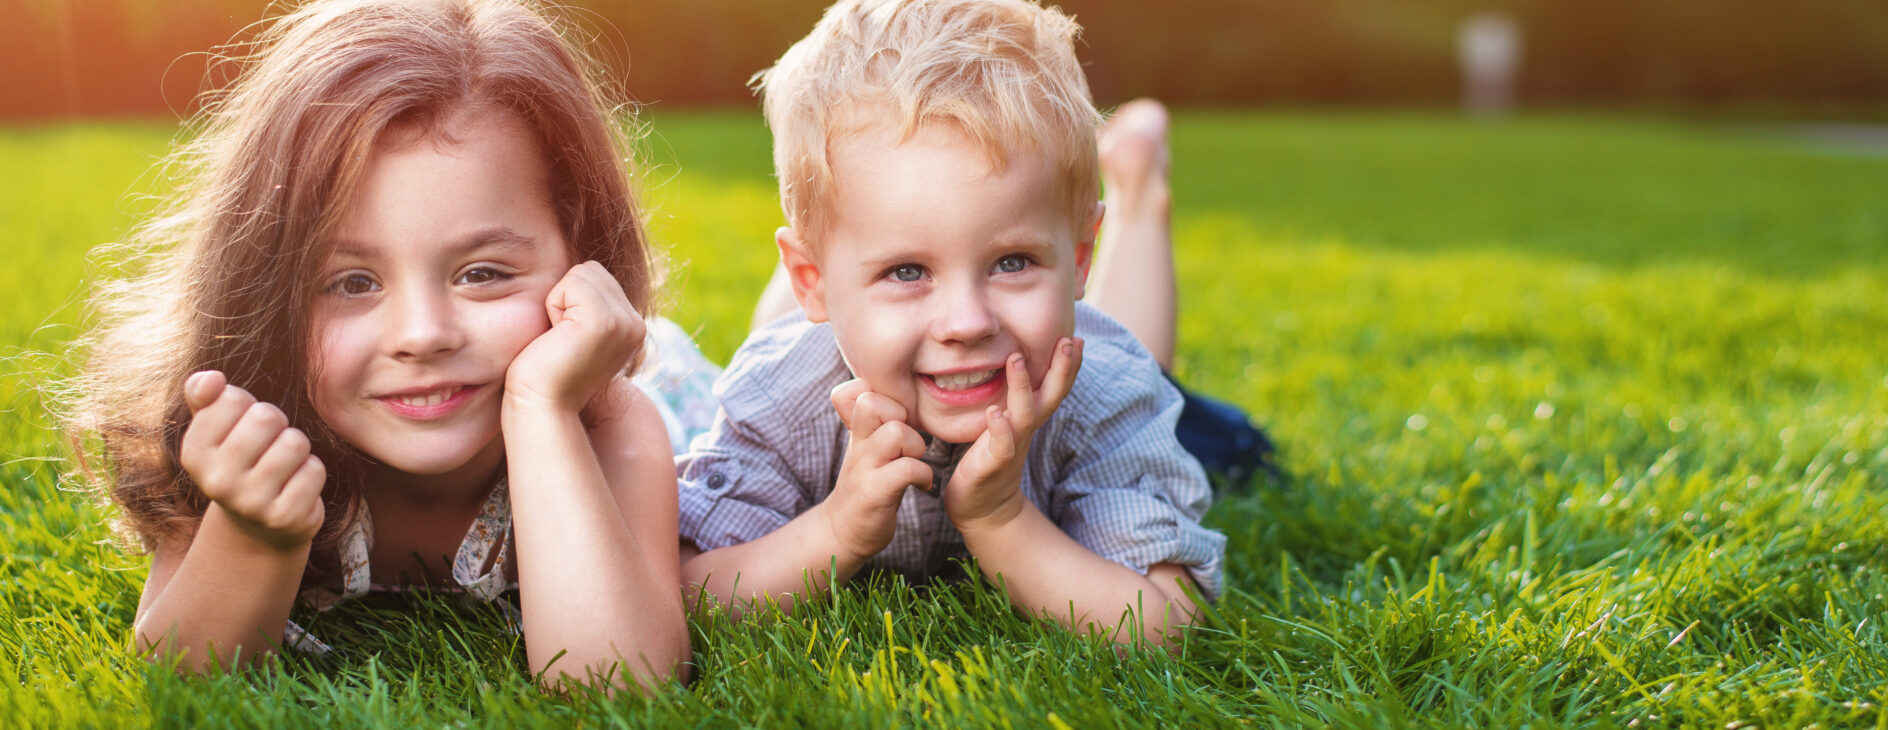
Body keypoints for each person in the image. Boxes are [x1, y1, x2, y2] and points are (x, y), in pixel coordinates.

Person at [64, 0, 687, 688]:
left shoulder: (609, 424)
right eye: (351, 283)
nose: (422, 335)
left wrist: (542, 411)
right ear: (261, 292)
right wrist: (254, 532)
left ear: (584, 256)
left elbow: (622, 683)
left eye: (482, 274)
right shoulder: (244, 429)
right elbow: (177, 680)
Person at [675, 0, 1234, 647]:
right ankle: (846, 268)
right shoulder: (780, 398)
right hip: (818, 343)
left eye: (1013, 261)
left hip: (1068, 354)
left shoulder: (1108, 396)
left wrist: (1002, 519)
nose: (966, 322)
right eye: (908, 271)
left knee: (1130, 348)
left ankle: (1136, 190)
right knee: (791, 339)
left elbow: (1166, 624)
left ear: (1079, 258)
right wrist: (836, 528)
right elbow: (691, 594)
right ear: (813, 281)